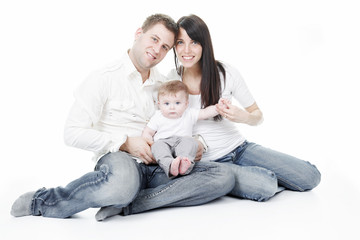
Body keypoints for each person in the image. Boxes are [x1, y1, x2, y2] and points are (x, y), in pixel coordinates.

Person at [10, 14, 235, 221]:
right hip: (120, 160)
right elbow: (71, 133)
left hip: (160, 162)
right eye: (154, 39)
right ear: (139, 34)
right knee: (122, 183)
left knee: (222, 175)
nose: (157, 50)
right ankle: (43, 200)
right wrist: (126, 142)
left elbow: (177, 119)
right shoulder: (104, 78)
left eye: (165, 46)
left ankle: (130, 204)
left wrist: (195, 143)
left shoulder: (163, 85)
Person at [167, 14, 321, 201]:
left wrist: (243, 117)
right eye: (180, 42)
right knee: (265, 185)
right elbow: (166, 128)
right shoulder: (171, 79)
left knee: (310, 177)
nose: (186, 50)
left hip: (240, 149)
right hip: (211, 163)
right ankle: (251, 177)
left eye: (194, 42)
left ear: (204, 44)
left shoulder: (225, 73)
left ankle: (255, 174)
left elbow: (258, 115)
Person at [142, 80, 218, 178]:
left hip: (182, 141)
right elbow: (148, 132)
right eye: (167, 103)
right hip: (163, 142)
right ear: (159, 104)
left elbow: (205, 113)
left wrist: (217, 108)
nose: (172, 107)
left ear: (186, 104)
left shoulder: (189, 113)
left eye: (177, 103)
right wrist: (149, 142)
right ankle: (170, 165)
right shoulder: (158, 116)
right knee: (157, 147)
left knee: (191, 142)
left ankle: (184, 163)